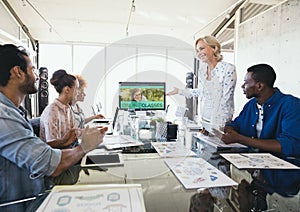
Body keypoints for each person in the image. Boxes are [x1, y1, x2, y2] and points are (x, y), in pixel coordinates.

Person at [0, 44, 107, 211]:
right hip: (26, 204)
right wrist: (84, 147)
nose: (36, 77)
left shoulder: (16, 113)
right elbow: (49, 164)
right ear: (17, 72)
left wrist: (59, 138)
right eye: (32, 70)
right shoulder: (3, 116)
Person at [222, 64, 300, 209]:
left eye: (246, 82)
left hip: (288, 169)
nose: (242, 86)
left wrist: (240, 138)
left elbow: (291, 145)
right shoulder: (251, 105)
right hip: (256, 162)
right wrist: (229, 130)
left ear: (259, 86)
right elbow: (235, 124)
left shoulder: (291, 105)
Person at [167, 35, 237, 130]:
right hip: (204, 121)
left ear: (213, 48)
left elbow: (226, 101)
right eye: (197, 50)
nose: (199, 53)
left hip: (221, 123)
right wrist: (179, 91)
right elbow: (201, 92)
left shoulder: (228, 69)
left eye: (201, 48)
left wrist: (216, 128)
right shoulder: (202, 70)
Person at [39, 69, 78, 148]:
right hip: (56, 157)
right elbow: (51, 144)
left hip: (69, 153)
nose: (78, 92)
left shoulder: (68, 109)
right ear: (67, 90)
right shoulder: (51, 111)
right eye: (76, 89)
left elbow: (73, 135)